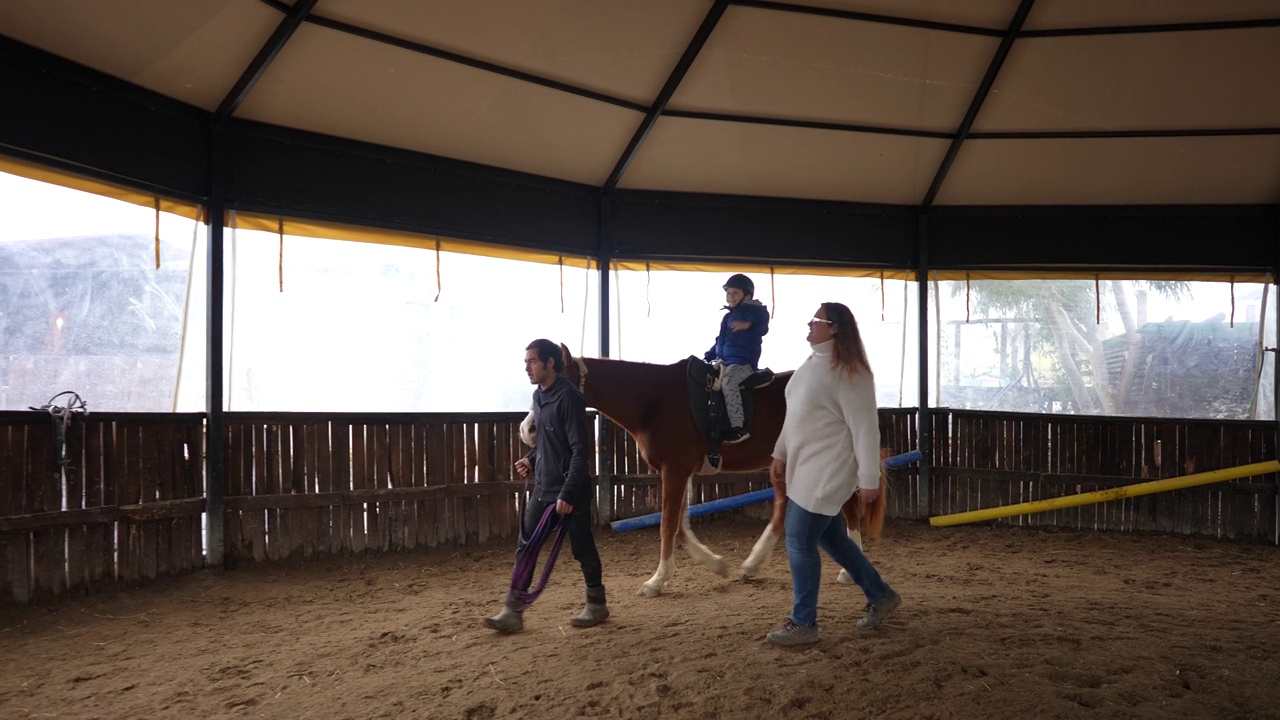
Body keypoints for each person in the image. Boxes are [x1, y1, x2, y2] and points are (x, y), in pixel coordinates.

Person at [766, 302, 901, 646]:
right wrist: (780, 452)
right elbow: (793, 414)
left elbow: (866, 430)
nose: (809, 325)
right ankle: (880, 594)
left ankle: (804, 623)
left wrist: (869, 478)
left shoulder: (851, 374)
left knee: (798, 539)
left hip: (828, 471)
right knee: (833, 539)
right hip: (805, 466)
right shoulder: (811, 364)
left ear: (836, 327)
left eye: (816, 320)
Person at [483, 339, 608, 633]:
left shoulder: (570, 399)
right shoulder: (538, 398)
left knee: (582, 547)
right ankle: (512, 612)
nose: (527, 367)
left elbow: (579, 451)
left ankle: (597, 604)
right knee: (525, 546)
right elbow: (549, 442)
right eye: (526, 362)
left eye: (533, 361)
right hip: (543, 487)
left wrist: (567, 493)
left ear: (551, 363)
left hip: (569, 490)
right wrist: (532, 458)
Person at [703, 273, 769, 443]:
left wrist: (749, 325)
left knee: (728, 383)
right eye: (728, 293)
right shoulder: (727, 317)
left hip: (742, 363)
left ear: (747, 295)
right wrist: (710, 354)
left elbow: (763, 326)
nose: (730, 297)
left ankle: (738, 427)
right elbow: (721, 340)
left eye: (735, 293)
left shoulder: (756, 310)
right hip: (723, 362)